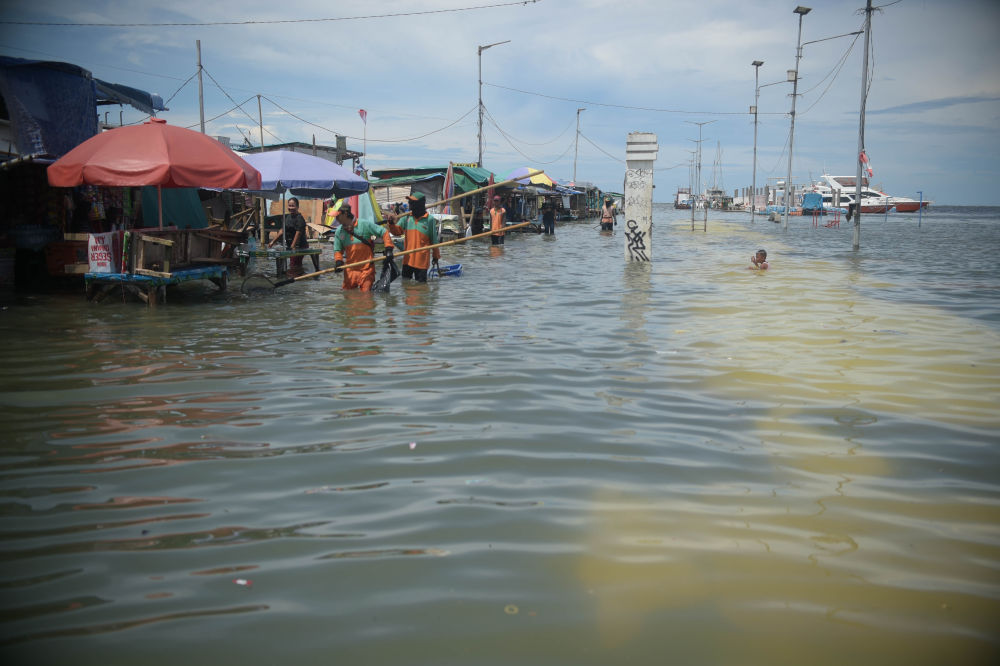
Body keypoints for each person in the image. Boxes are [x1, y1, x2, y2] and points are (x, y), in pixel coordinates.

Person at [332, 204, 393, 291]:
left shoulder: (364, 225)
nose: (336, 219)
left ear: (345, 214)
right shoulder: (339, 231)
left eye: (337, 216)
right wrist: (338, 261)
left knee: (366, 299)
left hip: (367, 269)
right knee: (348, 298)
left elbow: (384, 232)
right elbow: (338, 250)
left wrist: (388, 249)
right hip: (350, 270)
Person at [385, 192, 440, 282]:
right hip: (408, 260)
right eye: (410, 202)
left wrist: (436, 256)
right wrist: (391, 223)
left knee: (421, 288)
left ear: (419, 204)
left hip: (421, 261)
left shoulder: (429, 220)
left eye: (412, 203)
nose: (409, 205)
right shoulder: (406, 218)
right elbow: (397, 232)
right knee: (406, 285)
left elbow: (434, 240)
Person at [268, 197, 318, 275]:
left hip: (300, 246)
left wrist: (293, 246)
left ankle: (298, 277)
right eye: (289, 206)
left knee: (294, 265)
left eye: (293, 206)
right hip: (290, 245)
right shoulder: (288, 217)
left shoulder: (299, 218)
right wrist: (273, 242)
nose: (291, 208)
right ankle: (297, 274)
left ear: (297, 207)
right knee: (293, 264)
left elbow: (298, 233)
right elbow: (282, 230)